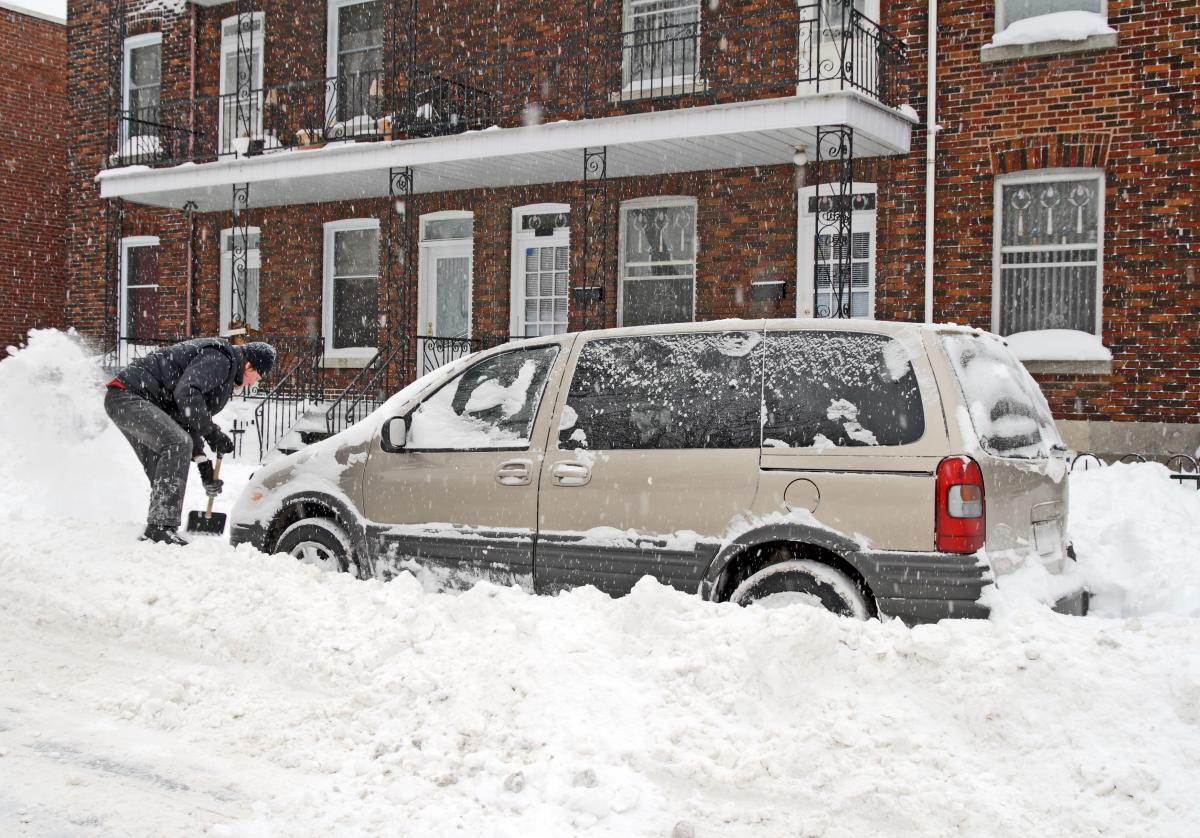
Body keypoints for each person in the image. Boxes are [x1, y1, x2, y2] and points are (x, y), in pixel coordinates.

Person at [104, 338, 276, 545]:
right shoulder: (221, 358)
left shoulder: (225, 366)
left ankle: (159, 526)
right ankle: (160, 527)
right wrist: (212, 433)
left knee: (164, 460)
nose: (253, 384)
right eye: (257, 377)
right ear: (249, 366)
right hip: (129, 396)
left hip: (130, 400)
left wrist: (203, 464)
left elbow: (183, 416)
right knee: (176, 444)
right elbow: (186, 393)